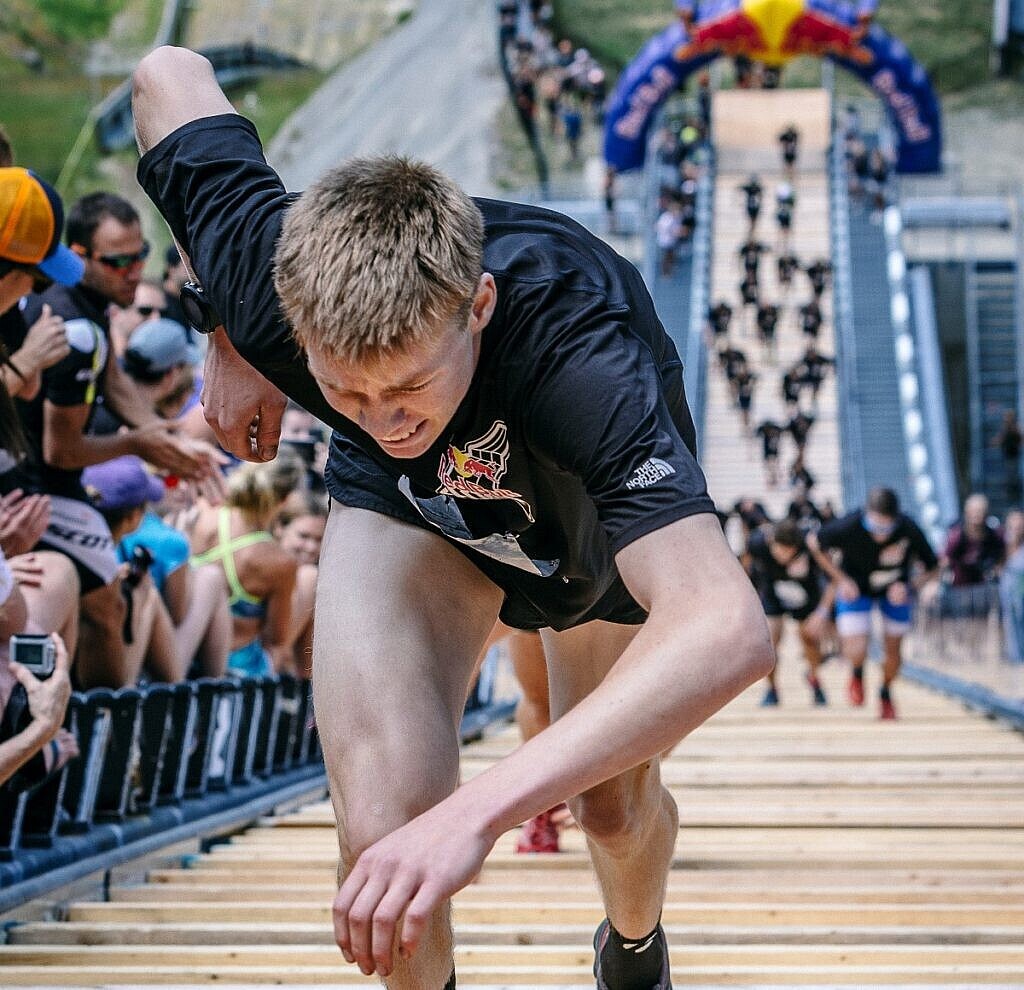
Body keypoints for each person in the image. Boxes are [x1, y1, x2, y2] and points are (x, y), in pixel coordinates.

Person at [133, 46, 774, 989]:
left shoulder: (581, 355)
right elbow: (166, 74)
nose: (387, 417)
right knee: (383, 839)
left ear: (478, 306)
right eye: (346, 390)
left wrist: (475, 815)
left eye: (409, 387)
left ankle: (635, 945)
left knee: (610, 812)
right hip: (414, 510)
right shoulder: (269, 292)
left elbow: (728, 628)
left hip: (584, 526)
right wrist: (224, 325)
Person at [5, 184, 218, 687]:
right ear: (80, 255)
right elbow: (62, 449)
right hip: (37, 485)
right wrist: (140, 444)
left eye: (139, 256)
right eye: (119, 262)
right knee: (103, 602)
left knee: (110, 600)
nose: (134, 271)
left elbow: (114, 379)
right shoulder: (73, 328)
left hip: (43, 480)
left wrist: (163, 434)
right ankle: (92, 715)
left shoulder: (90, 305)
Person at [83, 455, 230, 682]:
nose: (180, 488)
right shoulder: (171, 540)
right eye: (170, 480)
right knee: (209, 578)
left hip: (88, 665)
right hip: (125, 674)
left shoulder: (76, 543)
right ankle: (217, 688)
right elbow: (178, 616)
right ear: (134, 516)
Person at [809, 487, 939, 719]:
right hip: (856, 588)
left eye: (886, 529)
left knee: (894, 652)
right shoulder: (849, 524)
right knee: (856, 648)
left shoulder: (908, 528)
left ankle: (885, 691)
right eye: (875, 527)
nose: (880, 535)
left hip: (894, 590)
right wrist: (841, 579)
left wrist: (910, 586)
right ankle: (857, 672)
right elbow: (814, 542)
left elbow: (934, 566)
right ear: (867, 514)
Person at [189, 454, 302, 677]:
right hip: (238, 665)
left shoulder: (204, 515)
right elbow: (277, 637)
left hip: (188, 653)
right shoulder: (278, 561)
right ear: (285, 500)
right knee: (308, 580)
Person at [745, 520, 829, 707]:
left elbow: (831, 576)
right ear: (771, 542)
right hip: (773, 592)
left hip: (806, 595)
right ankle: (772, 689)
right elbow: (746, 567)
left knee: (810, 641)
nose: (783, 556)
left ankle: (815, 679)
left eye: (788, 551)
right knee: (768, 643)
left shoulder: (809, 543)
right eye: (779, 550)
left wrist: (822, 612)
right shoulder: (758, 543)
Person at [274, 489, 328, 677]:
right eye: (303, 536)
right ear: (280, 527)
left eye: (319, 539)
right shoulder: (261, 560)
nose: (311, 548)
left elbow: (306, 663)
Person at [999, 510, 1024, 663]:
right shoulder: (1002, 543)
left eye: (1020, 523)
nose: (1017, 526)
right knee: (1011, 624)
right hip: (1008, 592)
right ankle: (1016, 659)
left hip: (1021, 591)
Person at [993, 409, 1023, 504]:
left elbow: (1021, 439)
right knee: (1009, 476)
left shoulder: (1016, 427)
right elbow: (1000, 439)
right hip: (1007, 455)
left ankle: (1014, 495)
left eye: (1007, 417)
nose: (1005, 418)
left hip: (1014, 456)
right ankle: (1010, 494)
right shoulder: (1005, 428)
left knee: (1012, 476)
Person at [755, 419, 783, 487]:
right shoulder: (765, 435)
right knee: (769, 467)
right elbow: (757, 433)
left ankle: (775, 479)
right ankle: (772, 479)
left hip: (774, 453)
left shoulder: (775, 435)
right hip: (767, 453)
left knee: (774, 466)